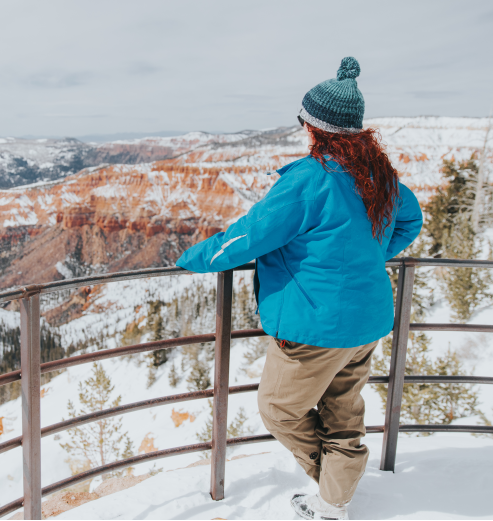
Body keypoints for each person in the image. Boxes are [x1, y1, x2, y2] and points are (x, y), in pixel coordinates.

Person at [176, 56, 423, 520]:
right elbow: (410, 218)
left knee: (278, 408)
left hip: (315, 325)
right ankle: (334, 499)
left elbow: (248, 237)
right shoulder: (379, 176)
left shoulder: (309, 180)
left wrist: (188, 259)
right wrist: (373, 253)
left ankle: (335, 483)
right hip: (367, 321)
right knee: (343, 410)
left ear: (314, 128)